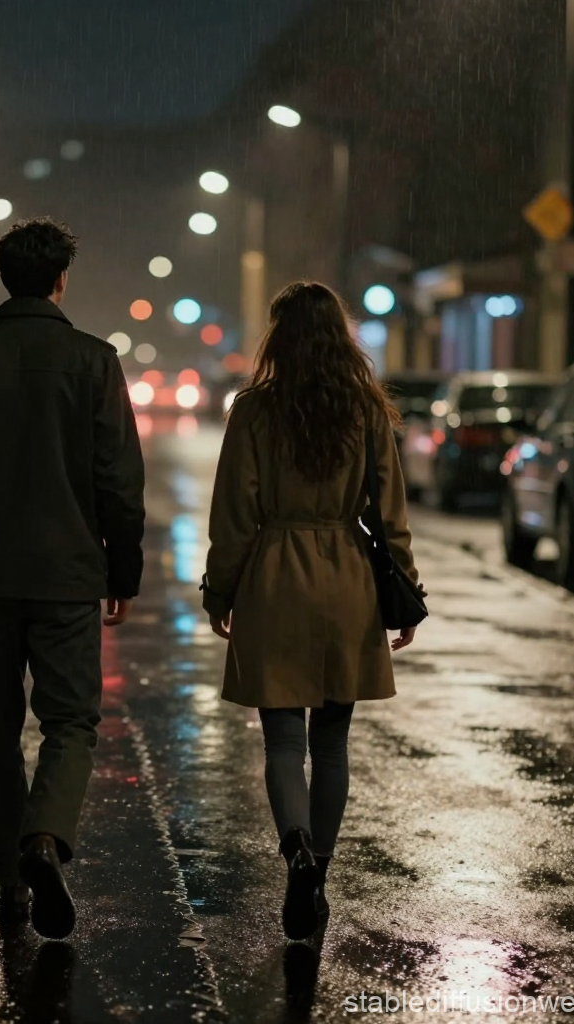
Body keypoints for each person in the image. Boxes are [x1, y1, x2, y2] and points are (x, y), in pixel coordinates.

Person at [0, 218, 145, 940]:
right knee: (70, 720)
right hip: (70, 572)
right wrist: (120, 567)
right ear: (59, 280)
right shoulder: (94, 362)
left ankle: (10, 881)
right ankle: (44, 836)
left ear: (5, 280)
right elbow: (118, 478)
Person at [202, 281, 419, 942]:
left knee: (282, 739)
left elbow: (235, 514)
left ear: (279, 338)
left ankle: (293, 849)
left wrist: (222, 588)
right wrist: (405, 588)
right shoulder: (365, 410)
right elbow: (390, 512)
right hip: (348, 576)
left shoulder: (255, 411)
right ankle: (318, 871)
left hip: (275, 574)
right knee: (332, 741)